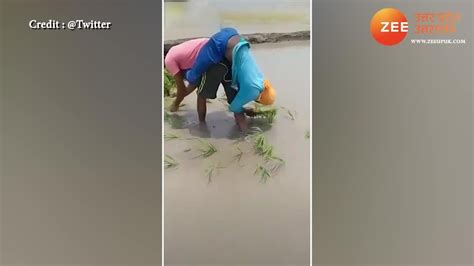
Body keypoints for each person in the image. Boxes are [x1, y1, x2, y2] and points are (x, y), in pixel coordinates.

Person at [184, 27, 276, 131]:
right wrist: (191, 76)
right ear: (259, 99)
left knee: (203, 94)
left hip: (232, 57)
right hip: (222, 61)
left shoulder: (260, 79)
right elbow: (233, 107)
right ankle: (243, 132)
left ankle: (202, 124)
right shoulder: (251, 90)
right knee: (206, 94)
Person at [164, 38, 236, 122]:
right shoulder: (175, 51)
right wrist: (180, 95)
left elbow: (182, 87)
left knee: (201, 94)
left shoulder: (168, 60)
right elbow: (194, 81)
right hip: (221, 51)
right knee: (233, 90)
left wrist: (175, 104)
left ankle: (202, 127)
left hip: (211, 55)